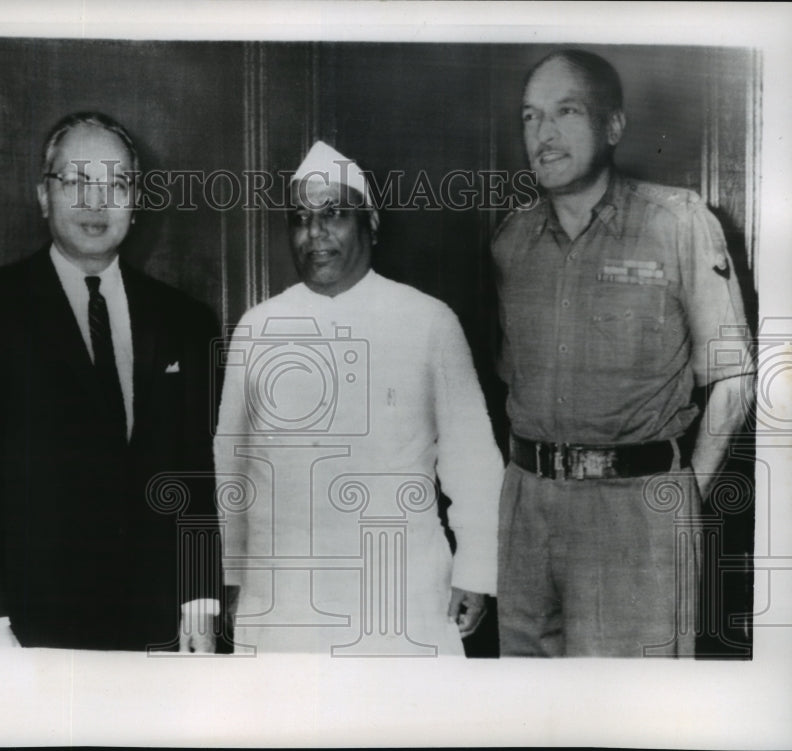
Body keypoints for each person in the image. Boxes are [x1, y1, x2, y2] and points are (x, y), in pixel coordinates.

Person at [492, 50, 754, 657]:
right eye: (530, 118)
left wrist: (682, 497)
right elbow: (513, 381)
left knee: (626, 710)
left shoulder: (677, 221)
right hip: (528, 507)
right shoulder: (511, 240)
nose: (544, 135)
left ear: (613, 126)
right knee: (524, 714)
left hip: (634, 515)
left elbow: (735, 378)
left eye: (565, 112)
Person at [0, 112, 222, 652]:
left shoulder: (185, 320)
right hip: (26, 629)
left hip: (156, 628)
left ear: (136, 202)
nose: (97, 203)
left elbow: (195, 474)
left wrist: (201, 606)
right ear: (44, 196)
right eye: (78, 182)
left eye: (116, 184)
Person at [214, 141, 504, 655]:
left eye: (333, 215)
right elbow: (231, 464)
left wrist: (477, 569)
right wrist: (233, 573)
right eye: (300, 218)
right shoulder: (257, 327)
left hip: (398, 594)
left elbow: (473, 459)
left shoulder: (429, 321)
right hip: (283, 598)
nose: (314, 234)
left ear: (370, 223)